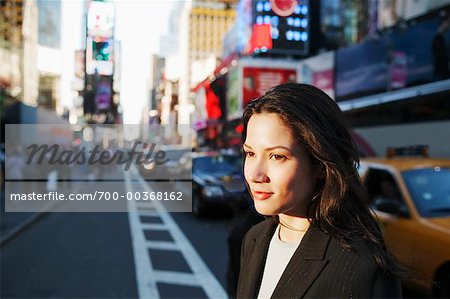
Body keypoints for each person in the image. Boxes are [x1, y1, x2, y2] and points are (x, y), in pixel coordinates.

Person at [237, 83, 403, 298]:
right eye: (250, 154)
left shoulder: (361, 265)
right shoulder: (254, 238)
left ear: (321, 165)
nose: (255, 175)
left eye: (277, 156)